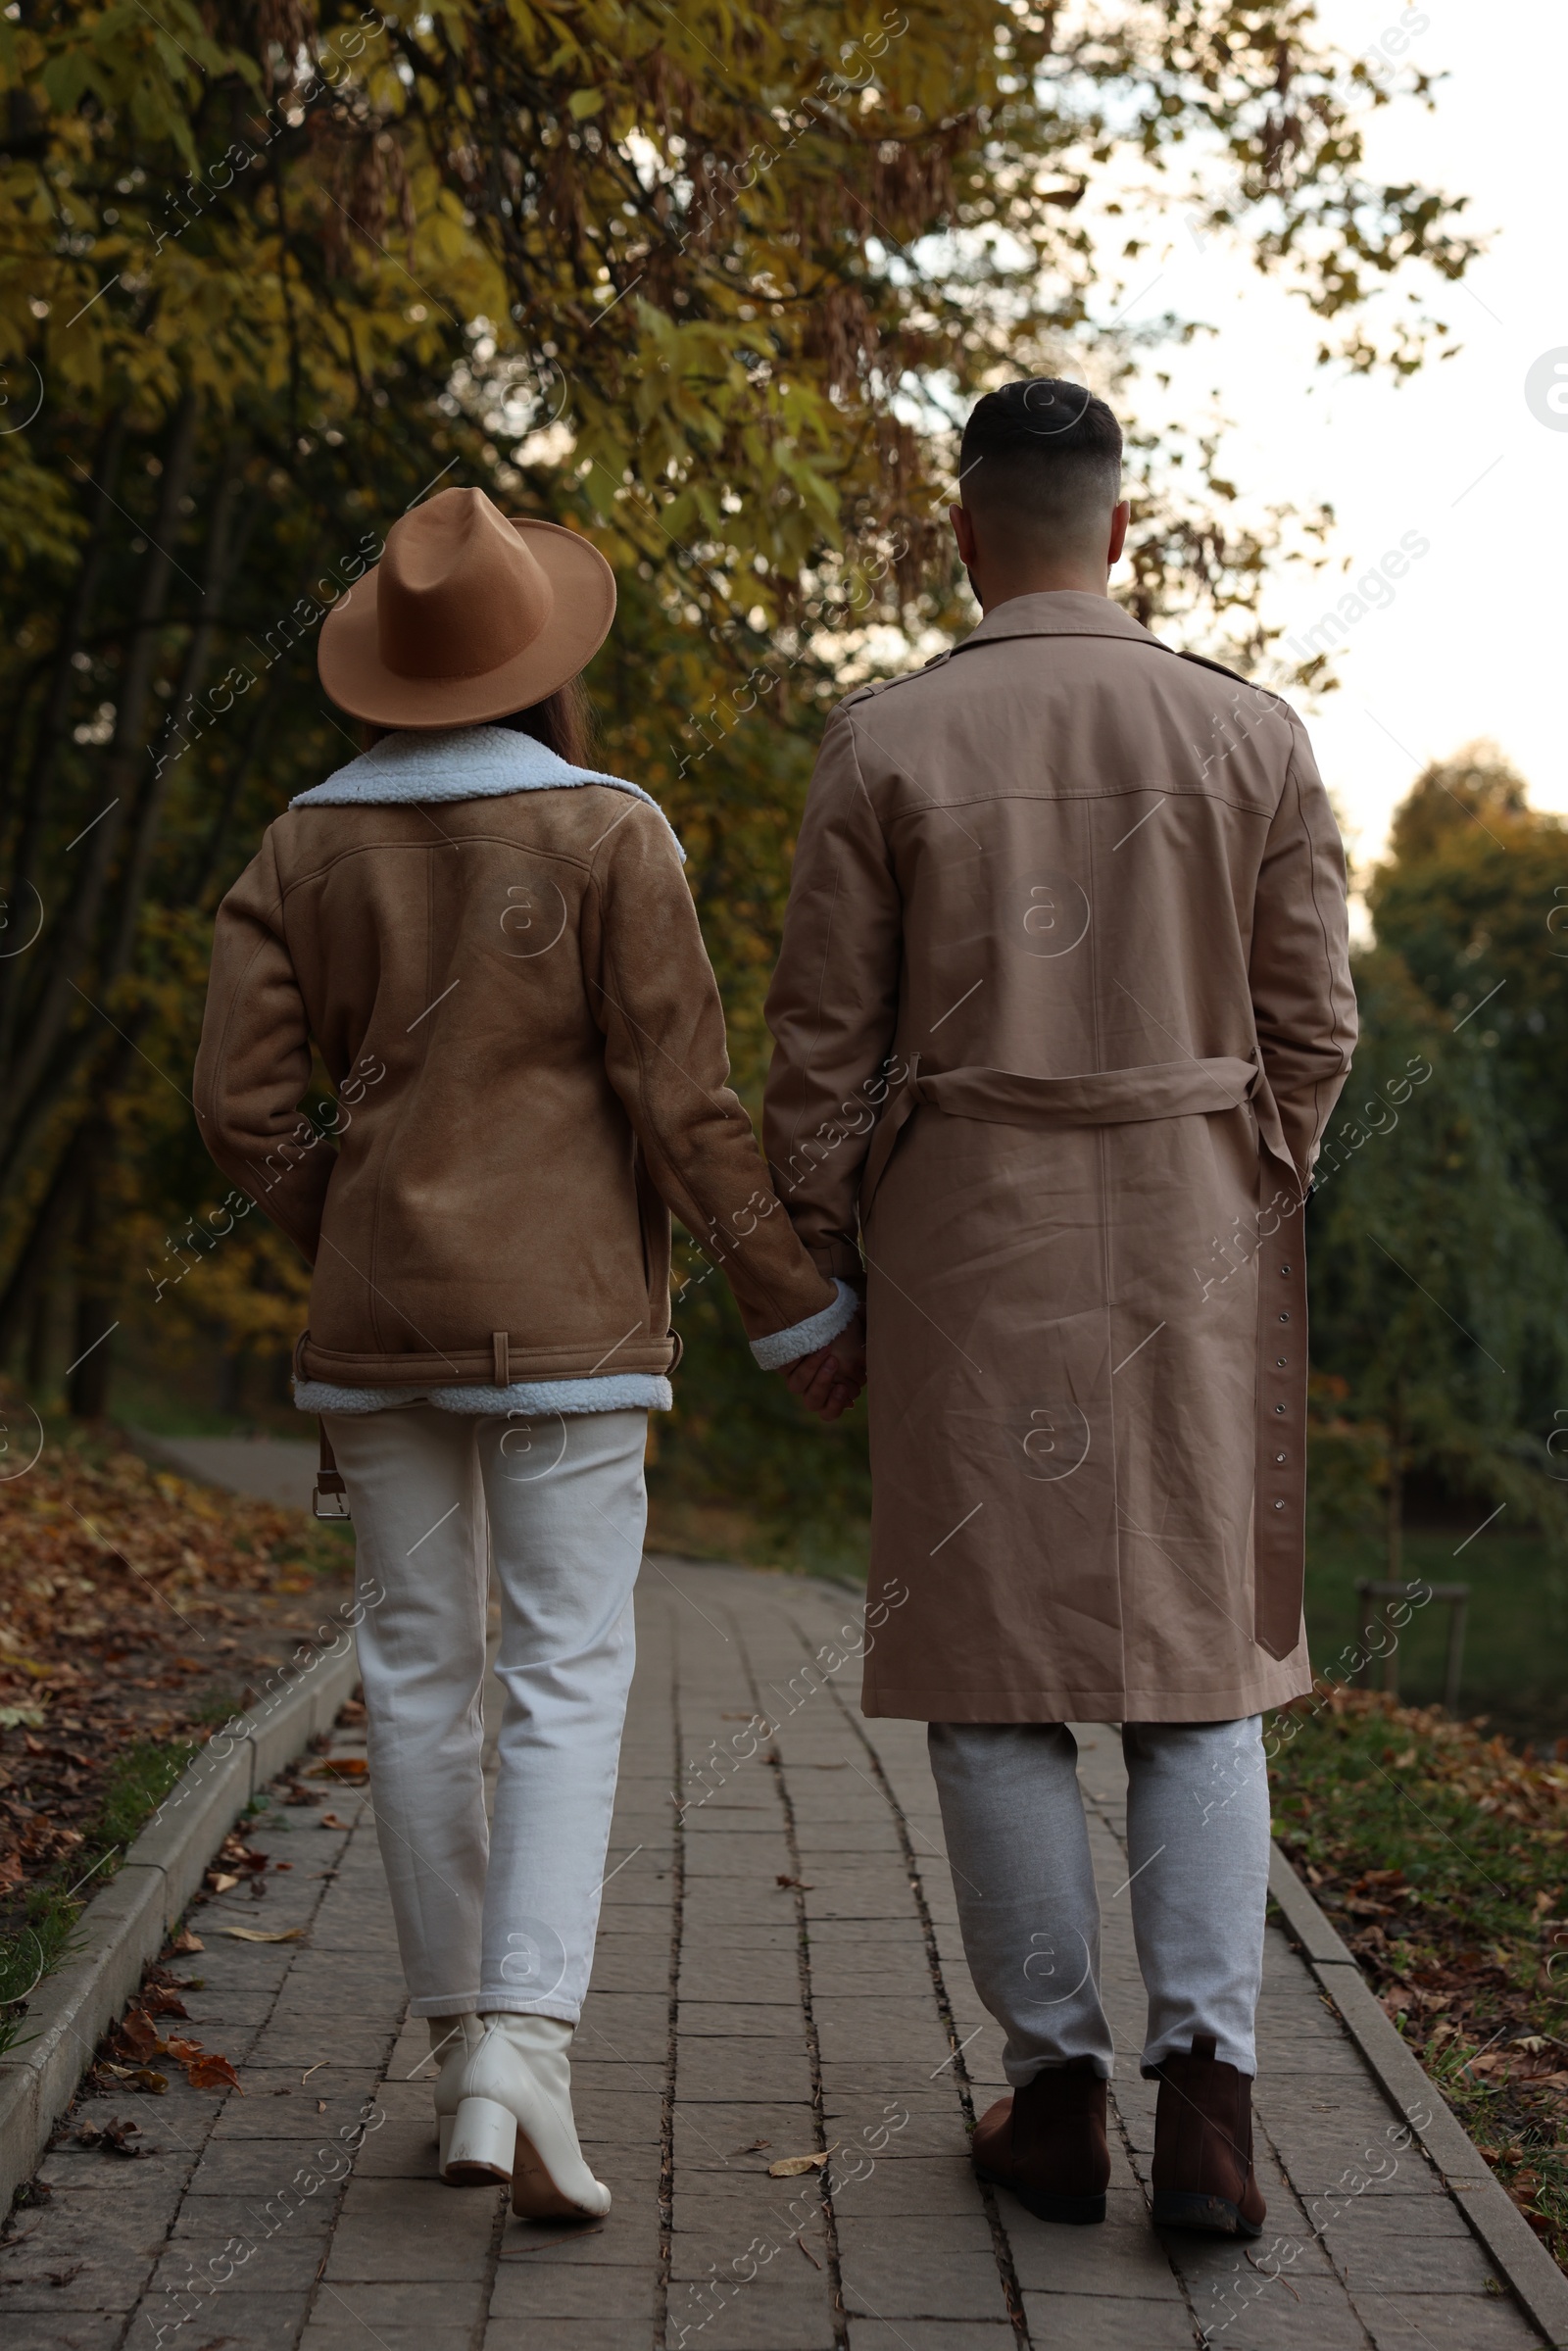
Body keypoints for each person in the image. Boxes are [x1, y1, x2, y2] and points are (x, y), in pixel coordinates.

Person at [193, 486, 858, 2222]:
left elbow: (241, 1109)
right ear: (540, 662)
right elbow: (684, 1105)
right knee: (566, 1674)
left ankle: (454, 2053)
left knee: (417, 1681)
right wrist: (798, 1303)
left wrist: (361, 1236)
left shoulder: (295, 845)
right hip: (568, 1334)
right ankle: (524, 2052)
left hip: (374, 1338)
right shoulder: (610, 831)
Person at [765, 380, 1356, 2236]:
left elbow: (818, 1061)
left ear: (966, 534)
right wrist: (1242, 1168)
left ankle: (1055, 2100)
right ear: (1123, 533)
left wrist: (829, 1265)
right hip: (1195, 1234)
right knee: (1203, 1678)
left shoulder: (883, 744)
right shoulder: (1251, 736)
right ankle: (1215, 2114)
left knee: (993, 1685)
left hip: (968, 1245)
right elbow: (1317, 1026)